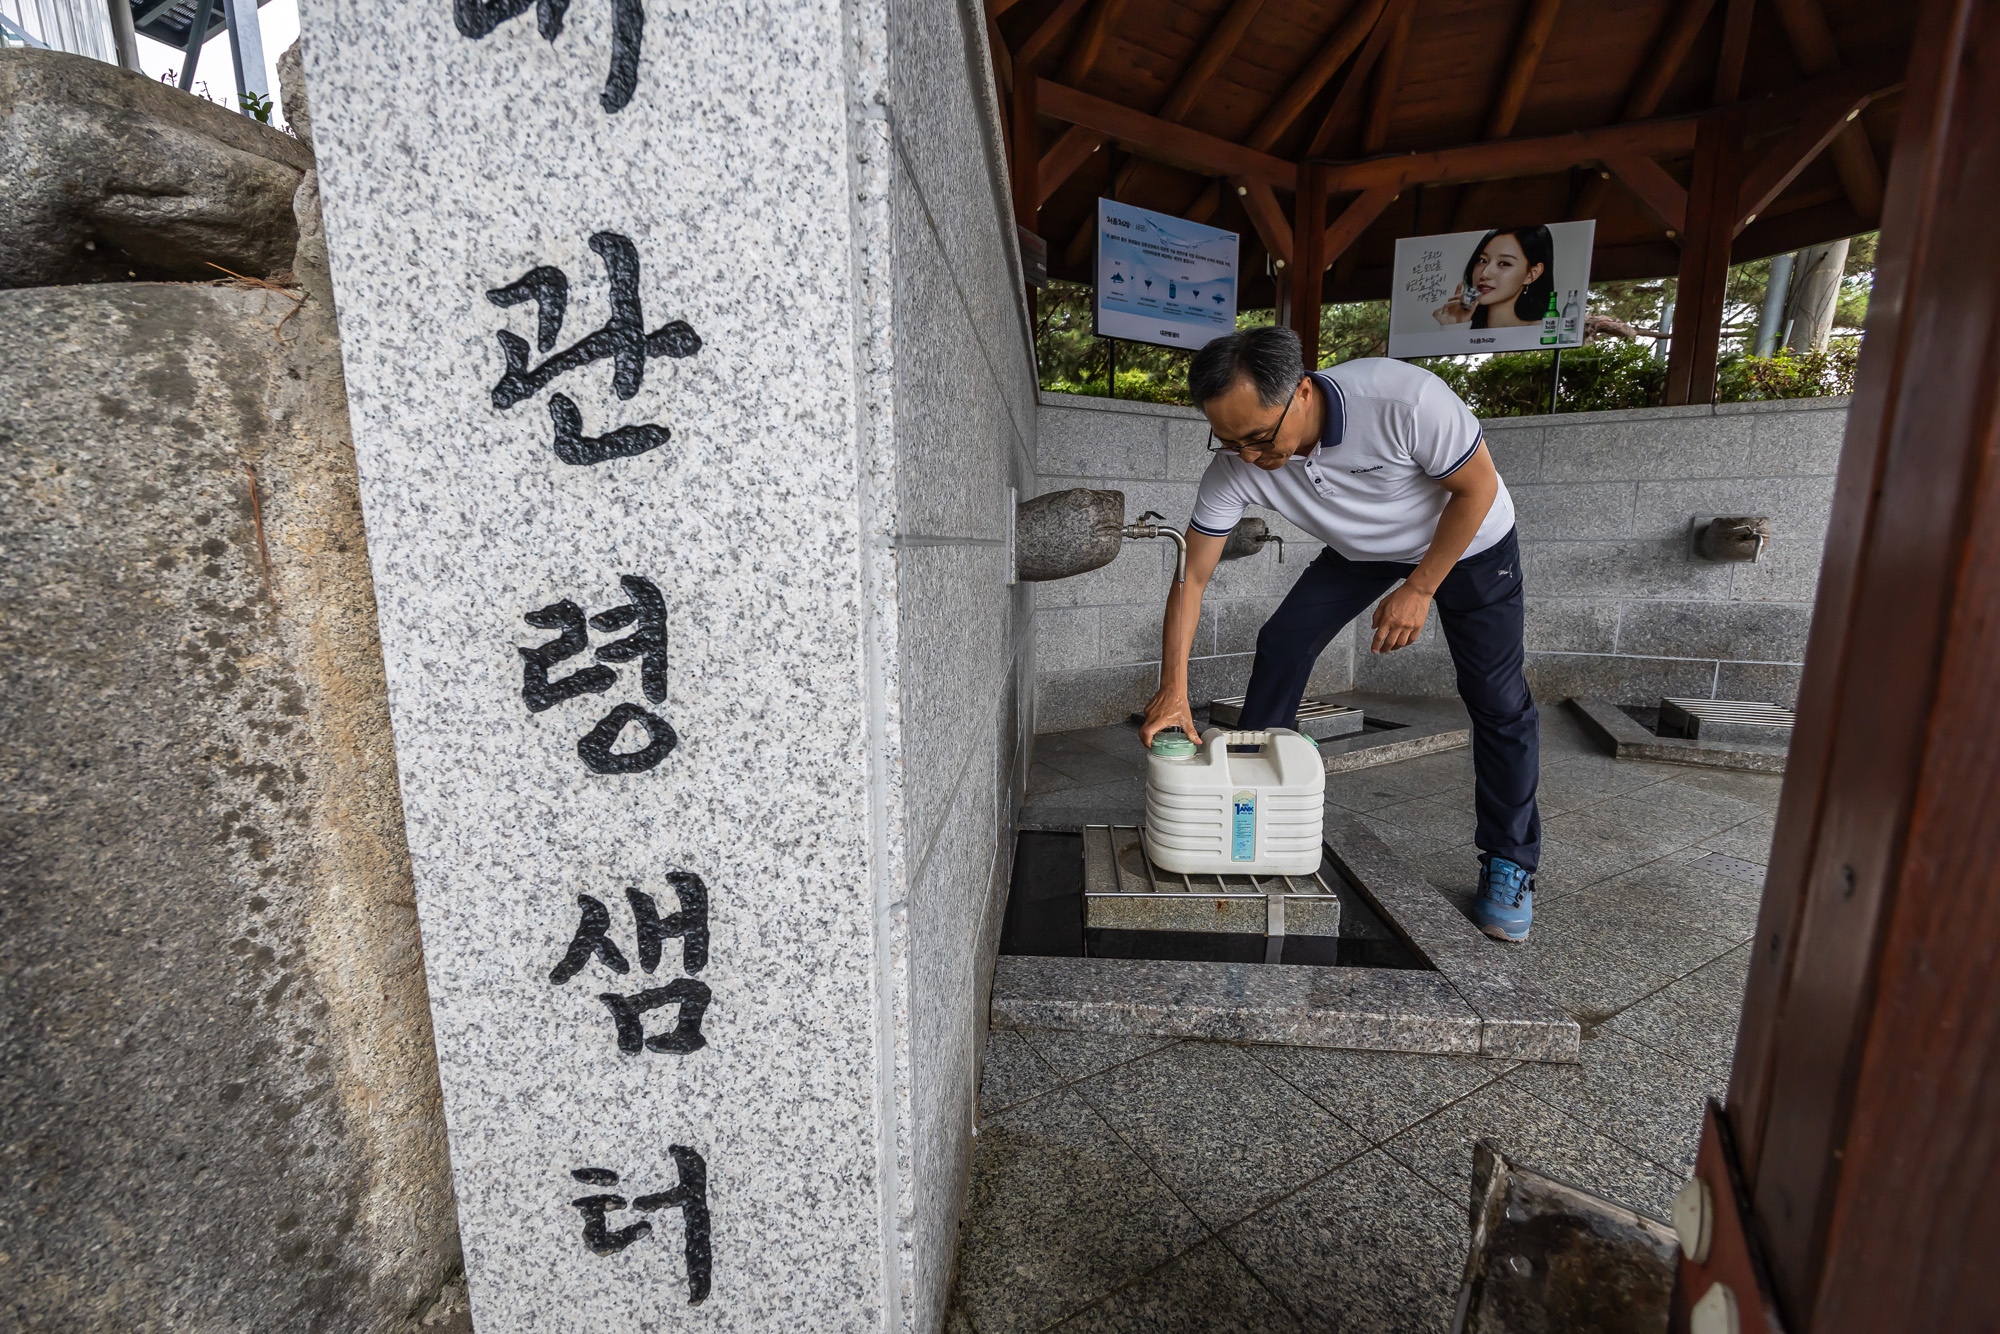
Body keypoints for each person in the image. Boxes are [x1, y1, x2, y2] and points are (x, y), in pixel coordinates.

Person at [1138, 325, 1541, 941]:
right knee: (1283, 643)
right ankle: (1259, 808)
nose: (1248, 456)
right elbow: (1191, 578)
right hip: (1363, 550)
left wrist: (1421, 587)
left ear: (1301, 392)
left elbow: (1477, 487)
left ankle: (1510, 861)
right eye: (1228, 439)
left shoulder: (1403, 401)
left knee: (1496, 698)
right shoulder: (1234, 465)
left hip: (1470, 541)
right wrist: (1173, 689)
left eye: (1259, 437)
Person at [1431, 225, 1555, 330]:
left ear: (1532, 274)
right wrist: (1454, 328)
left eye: (1504, 263)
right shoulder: (1461, 325)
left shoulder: (1538, 331)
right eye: (1482, 260)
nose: (1485, 274)